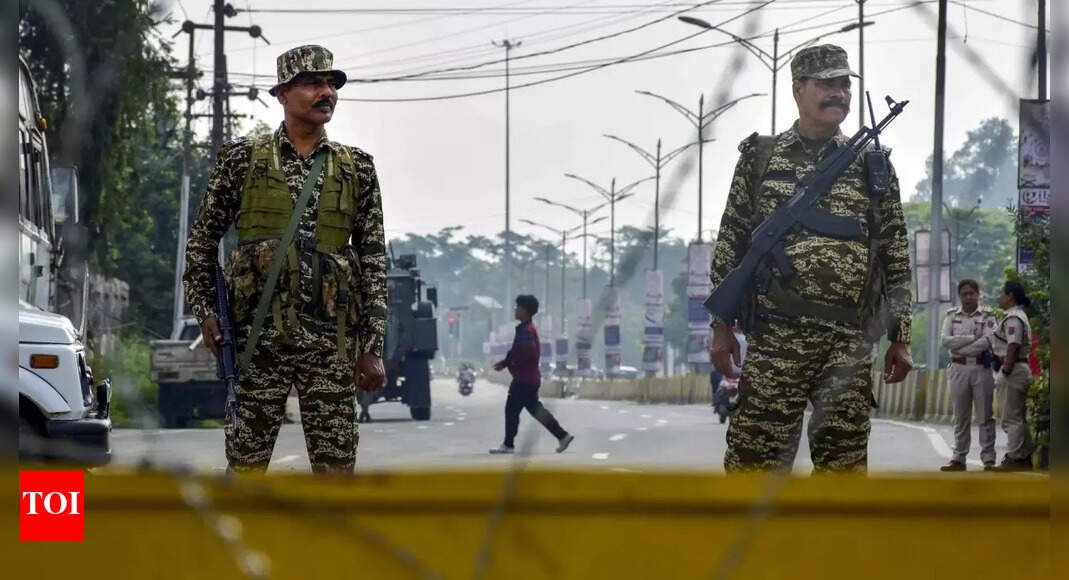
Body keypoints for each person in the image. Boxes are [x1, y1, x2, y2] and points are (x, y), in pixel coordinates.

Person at [709, 44, 913, 472]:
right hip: (776, 340)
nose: (839, 93)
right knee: (754, 468)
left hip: (848, 344)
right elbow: (732, 242)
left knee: (843, 473)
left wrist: (902, 336)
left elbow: (894, 252)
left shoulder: (871, 164)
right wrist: (720, 328)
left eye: (844, 84)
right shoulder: (761, 158)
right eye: (826, 84)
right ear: (798, 89)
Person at [184, 45, 387, 474]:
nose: (326, 92)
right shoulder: (241, 160)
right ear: (281, 93)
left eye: (331, 84)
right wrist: (206, 313)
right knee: (245, 471)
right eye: (312, 83)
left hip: (331, 347)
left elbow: (374, 263)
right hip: (257, 345)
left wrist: (371, 348)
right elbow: (201, 243)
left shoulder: (358, 169)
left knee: (336, 475)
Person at [489, 295, 574, 454]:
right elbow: (520, 352)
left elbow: (524, 353)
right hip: (529, 378)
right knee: (535, 410)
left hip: (524, 379)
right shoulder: (526, 329)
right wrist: (506, 362)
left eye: (518, 307)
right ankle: (563, 436)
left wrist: (508, 362)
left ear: (525, 310)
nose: (515, 310)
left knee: (512, 410)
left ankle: (508, 445)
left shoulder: (526, 331)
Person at [939, 279, 997, 471]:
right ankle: (958, 458)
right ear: (959, 296)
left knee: (985, 415)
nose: (968, 297)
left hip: (981, 368)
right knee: (960, 415)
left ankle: (988, 459)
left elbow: (988, 340)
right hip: (958, 369)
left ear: (978, 295)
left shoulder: (987, 315)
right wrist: (971, 338)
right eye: (964, 294)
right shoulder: (951, 316)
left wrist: (962, 349)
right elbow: (945, 341)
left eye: (972, 293)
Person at [989, 281, 1035, 472]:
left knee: (1011, 417)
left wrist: (1006, 369)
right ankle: (1023, 455)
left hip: (1013, 369)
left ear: (1010, 296)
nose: (998, 296)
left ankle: (1015, 457)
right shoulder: (1016, 315)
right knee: (1018, 416)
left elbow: (1013, 344)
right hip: (1018, 368)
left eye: (1001, 293)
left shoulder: (1014, 317)